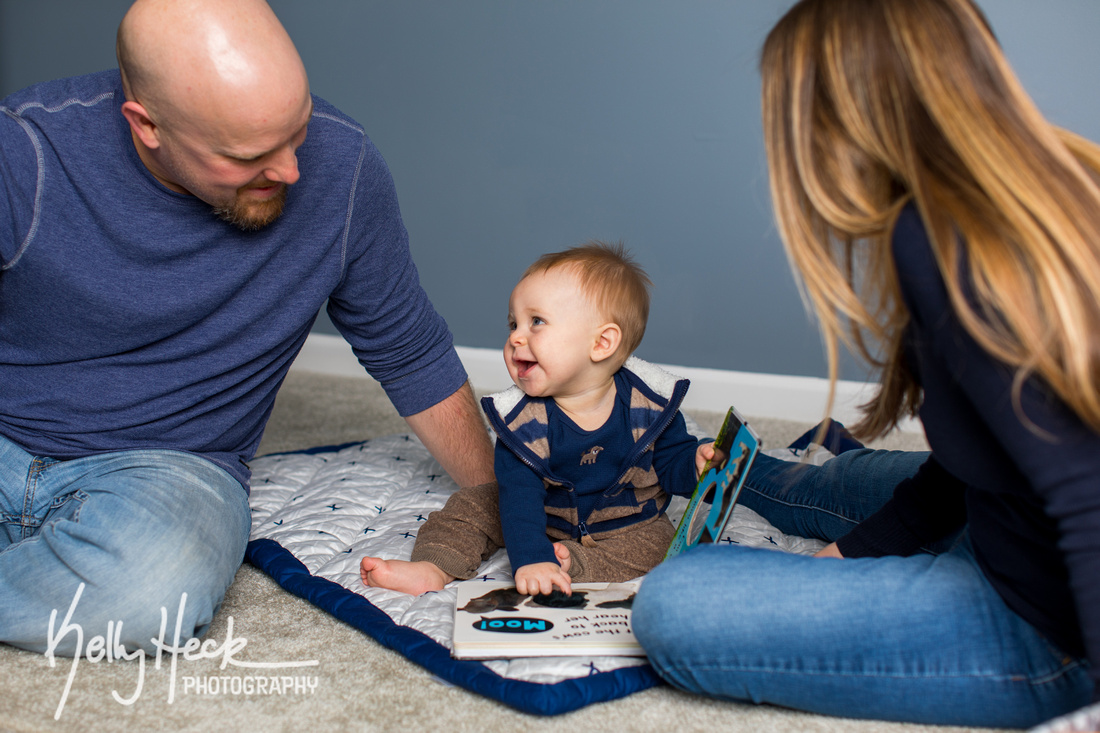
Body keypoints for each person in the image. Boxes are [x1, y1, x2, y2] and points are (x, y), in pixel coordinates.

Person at [631, 0, 1100, 729]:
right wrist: (846, 559)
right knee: (848, 478)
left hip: (1047, 626)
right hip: (1002, 515)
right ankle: (714, 468)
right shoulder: (1035, 184)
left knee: (674, 602)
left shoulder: (938, 241)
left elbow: (1086, 492)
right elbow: (998, 446)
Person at [0, 0, 493, 657]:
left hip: (170, 471)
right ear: (146, 125)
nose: (291, 170)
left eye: (298, 130)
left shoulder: (342, 171)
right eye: (250, 154)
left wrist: (509, 499)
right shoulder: (25, 151)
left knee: (153, 595)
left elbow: (411, 352)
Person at [361, 242, 709, 595]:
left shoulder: (650, 405)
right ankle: (433, 565)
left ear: (602, 343)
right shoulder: (522, 422)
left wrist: (696, 465)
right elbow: (520, 500)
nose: (515, 336)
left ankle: (575, 564)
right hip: (543, 517)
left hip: (625, 523)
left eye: (536, 322)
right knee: (472, 506)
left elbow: (671, 466)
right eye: (513, 323)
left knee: (657, 544)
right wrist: (530, 558)